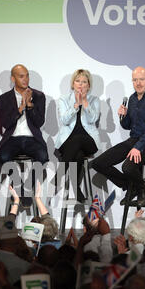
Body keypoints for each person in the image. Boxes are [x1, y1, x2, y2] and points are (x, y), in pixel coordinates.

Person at [92, 67, 145, 207]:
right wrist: (123, 117)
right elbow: (128, 126)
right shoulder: (132, 99)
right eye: (135, 80)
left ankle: (142, 189)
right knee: (98, 163)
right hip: (133, 140)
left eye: (141, 79)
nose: (138, 83)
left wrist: (138, 147)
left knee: (127, 167)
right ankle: (132, 186)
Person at [0, 64, 49, 206]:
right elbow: (6, 124)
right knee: (4, 157)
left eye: (27, 75)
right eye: (21, 76)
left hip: (32, 138)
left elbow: (39, 122)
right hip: (12, 138)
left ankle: (26, 188)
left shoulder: (38, 96)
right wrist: (20, 108)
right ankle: (19, 187)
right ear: (13, 78)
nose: (25, 79)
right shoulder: (4, 98)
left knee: (43, 156)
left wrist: (30, 105)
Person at [55, 69, 101, 202]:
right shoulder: (63, 100)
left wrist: (85, 102)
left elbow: (93, 119)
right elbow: (65, 120)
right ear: (73, 84)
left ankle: (60, 174)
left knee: (79, 139)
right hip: (68, 142)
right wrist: (75, 106)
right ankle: (76, 189)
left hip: (89, 141)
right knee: (78, 155)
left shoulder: (94, 100)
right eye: (77, 81)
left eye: (84, 82)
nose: (80, 85)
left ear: (88, 85)